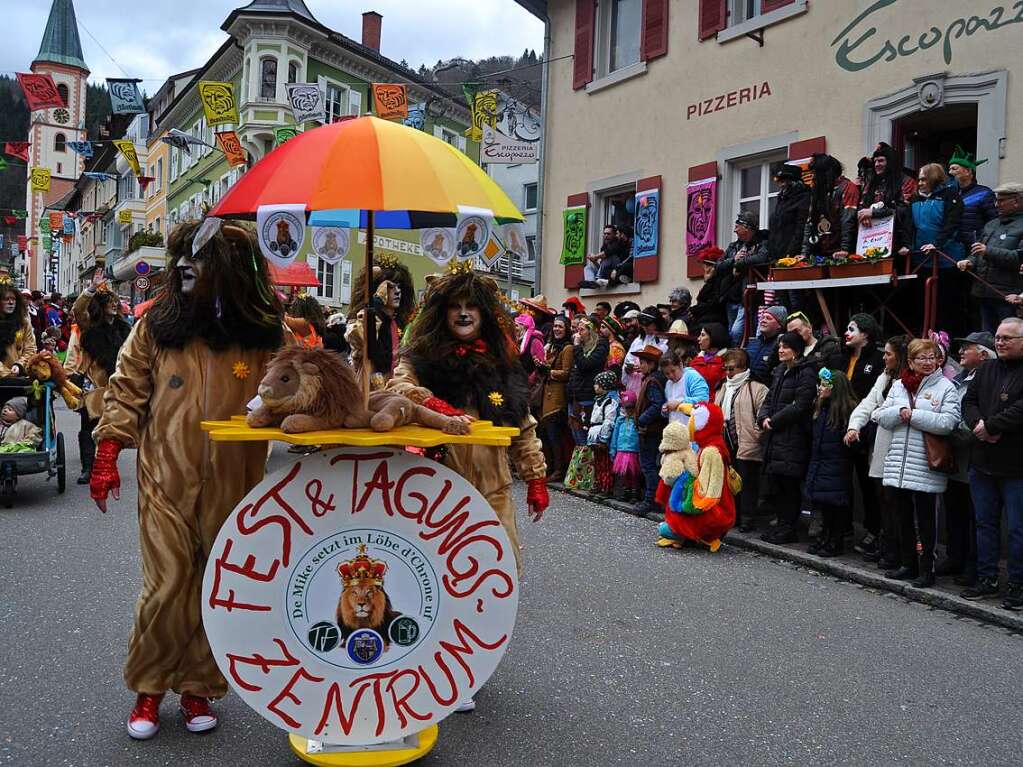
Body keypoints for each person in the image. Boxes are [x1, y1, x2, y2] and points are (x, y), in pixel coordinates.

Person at [89, 221, 289, 739]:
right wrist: (108, 451)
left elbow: (299, 381)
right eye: (182, 259)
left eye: (198, 261)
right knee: (168, 584)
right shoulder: (156, 327)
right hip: (165, 479)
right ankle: (150, 688)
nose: (185, 268)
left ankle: (199, 685)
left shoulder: (262, 332)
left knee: (213, 585)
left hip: (234, 481)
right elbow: (126, 388)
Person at [876, 338, 960, 587]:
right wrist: (900, 410)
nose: (926, 362)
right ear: (910, 362)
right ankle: (907, 564)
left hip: (926, 464)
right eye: (920, 358)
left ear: (938, 360)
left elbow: (948, 423)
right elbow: (879, 415)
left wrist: (913, 415)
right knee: (902, 517)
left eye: (931, 357)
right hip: (898, 464)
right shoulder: (899, 385)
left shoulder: (946, 387)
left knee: (926, 521)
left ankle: (927, 569)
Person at [960, 318, 1023, 609]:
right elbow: (968, 402)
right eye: (998, 337)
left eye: (1007, 338)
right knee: (984, 524)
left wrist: (993, 427)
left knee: (1017, 529)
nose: (1000, 342)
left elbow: (1019, 410)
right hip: (982, 461)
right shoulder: (986, 369)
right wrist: (977, 425)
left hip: (1016, 466)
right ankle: (987, 579)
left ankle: (1017, 584)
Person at [846, 335, 909, 567]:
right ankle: (887, 544)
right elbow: (868, 402)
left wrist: (876, 415)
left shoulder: (908, 380)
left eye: (889, 354)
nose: (884, 357)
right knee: (882, 497)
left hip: (901, 446)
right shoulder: (885, 377)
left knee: (896, 500)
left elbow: (886, 411)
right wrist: (854, 425)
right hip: (881, 445)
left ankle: (899, 550)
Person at [941, 331, 997, 584]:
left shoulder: (989, 380)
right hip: (955, 459)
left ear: (984, 354)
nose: (961, 351)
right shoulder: (958, 379)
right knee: (954, 512)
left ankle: (973, 566)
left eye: (968, 347)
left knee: (977, 517)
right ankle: (955, 557)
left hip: (976, 457)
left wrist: (958, 435)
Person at [67, 286, 131, 484]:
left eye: (115, 301)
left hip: (117, 383)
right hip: (94, 383)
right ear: (101, 307)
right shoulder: (90, 327)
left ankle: (106, 464)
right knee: (88, 425)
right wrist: (90, 290)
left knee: (111, 427)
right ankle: (88, 467)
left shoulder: (124, 329)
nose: (114, 304)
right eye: (109, 302)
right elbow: (78, 310)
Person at [757, 331, 817, 543]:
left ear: (797, 350)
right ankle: (781, 525)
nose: (781, 350)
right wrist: (763, 417)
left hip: (793, 437)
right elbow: (770, 398)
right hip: (775, 437)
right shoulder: (781, 370)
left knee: (789, 485)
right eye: (780, 346)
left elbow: (801, 405)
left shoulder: (806, 372)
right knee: (777, 484)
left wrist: (774, 420)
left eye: (786, 347)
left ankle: (789, 528)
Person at [838, 313, 886, 554]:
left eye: (852, 329)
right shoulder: (843, 357)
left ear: (865, 334)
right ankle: (843, 527)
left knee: (868, 485)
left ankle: (874, 530)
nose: (847, 333)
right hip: (843, 428)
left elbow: (872, 399)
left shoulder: (877, 360)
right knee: (842, 480)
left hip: (865, 432)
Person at [900, 163, 967, 335]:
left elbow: (952, 223)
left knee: (946, 302)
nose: (920, 183)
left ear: (934, 178)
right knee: (922, 301)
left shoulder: (949, 194)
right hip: (922, 259)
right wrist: (907, 245)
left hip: (946, 258)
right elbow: (909, 226)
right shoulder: (915, 199)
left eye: (923, 179)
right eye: (918, 180)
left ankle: (948, 339)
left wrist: (937, 243)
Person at [957, 183, 1023, 334]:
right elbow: (978, 251)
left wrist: (988, 251)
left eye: (1001, 201)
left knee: (1008, 337)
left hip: (1007, 294)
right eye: (996, 200)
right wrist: (969, 261)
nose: (996, 205)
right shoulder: (991, 224)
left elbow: (1019, 258)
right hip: (983, 291)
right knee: (986, 336)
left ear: (1016, 201)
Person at [805, 369, 858, 556]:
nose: (820, 389)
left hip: (837, 462)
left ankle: (835, 541)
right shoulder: (821, 407)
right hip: (821, 461)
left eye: (824, 385)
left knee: (836, 505)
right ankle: (825, 537)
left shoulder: (847, 410)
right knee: (824, 505)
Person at [716, 348, 767, 532]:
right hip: (726, 441)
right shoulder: (723, 387)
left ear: (743, 368)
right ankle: (733, 515)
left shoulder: (757, 388)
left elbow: (763, 413)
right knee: (731, 481)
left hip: (747, 441)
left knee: (747, 481)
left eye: (731, 369)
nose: (728, 373)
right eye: (726, 369)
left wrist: (755, 433)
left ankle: (747, 518)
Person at [717, 211, 769, 345]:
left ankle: (739, 359)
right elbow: (718, 266)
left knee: (737, 332)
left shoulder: (762, 243)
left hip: (748, 298)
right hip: (731, 296)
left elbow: (762, 258)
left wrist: (740, 263)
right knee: (732, 332)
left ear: (747, 228)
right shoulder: (733, 246)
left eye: (737, 226)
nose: (734, 230)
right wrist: (734, 260)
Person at [802, 154, 860, 262]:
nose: (813, 177)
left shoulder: (848, 188)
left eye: (815, 173)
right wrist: (804, 253)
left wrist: (845, 249)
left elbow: (848, 220)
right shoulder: (819, 191)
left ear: (826, 172)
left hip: (841, 254)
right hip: (820, 252)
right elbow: (810, 222)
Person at [858, 142, 912, 253]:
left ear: (890, 162)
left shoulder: (906, 181)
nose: (877, 164)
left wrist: (874, 213)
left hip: (898, 241)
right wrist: (863, 215)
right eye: (875, 161)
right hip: (869, 239)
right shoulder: (871, 184)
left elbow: (904, 210)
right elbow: (861, 206)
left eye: (881, 160)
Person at [633, 344, 666, 517]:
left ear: (652, 364)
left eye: (643, 362)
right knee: (651, 465)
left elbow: (656, 404)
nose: (641, 365)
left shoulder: (653, 381)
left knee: (648, 465)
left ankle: (650, 500)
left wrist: (642, 420)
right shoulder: (652, 378)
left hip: (651, 430)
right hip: (653, 429)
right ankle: (655, 499)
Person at [567, 316, 609, 447]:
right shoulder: (581, 347)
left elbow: (585, 365)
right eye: (577, 330)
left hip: (589, 396)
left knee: (586, 439)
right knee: (576, 437)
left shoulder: (601, 345)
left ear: (590, 331)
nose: (578, 334)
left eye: (582, 330)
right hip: (576, 396)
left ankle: (589, 466)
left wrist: (577, 346)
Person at [540, 315, 573, 482]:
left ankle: (559, 469)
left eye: (560, 326)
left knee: (554, 434)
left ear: (566, 329)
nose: (557, 329)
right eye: (555, 326)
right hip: (547, 393)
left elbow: (566, 373)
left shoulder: (567, 348)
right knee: (546, 433)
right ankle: (550, 466)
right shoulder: (552, 346)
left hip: (558, 395)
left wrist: (549, 371)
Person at [948, 145, 998, 254]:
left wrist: (984, 243)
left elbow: (994, 221)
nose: (950, 172)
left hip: (975, 248)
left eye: (954, 168)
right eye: (949, 169)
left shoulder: (984, 193)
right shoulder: (951, 194)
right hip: (953, 248)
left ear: (968, 171)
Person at [768, 164, 811, 263]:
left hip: (793, 255)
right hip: (778, 253)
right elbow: (777, 227)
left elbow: (801, 228)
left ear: (794, 181)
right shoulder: (782, 198)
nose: (781, 185)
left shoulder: (803, 197)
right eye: (779, 181)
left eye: (784, 181)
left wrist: (790, 252)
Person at [587, 370, 620, 499]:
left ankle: (606, 487)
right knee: (597, 462)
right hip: (594, 433)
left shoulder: (610, 401)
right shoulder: (599, 400)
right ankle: (598, 483)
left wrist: (603, 438)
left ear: (605, 385)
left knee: (605, 463)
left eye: (597, 384)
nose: (595, 386)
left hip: (601, 435)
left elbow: (609, 421)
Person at [661, 348, 710, 428]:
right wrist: (665, 409)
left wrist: (680, 403)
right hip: (675, 431)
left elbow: (703, 400)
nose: (671, 376)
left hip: (693, 432)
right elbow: (669, 404)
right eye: (667, 373)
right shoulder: (668, 384)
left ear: (680, 365)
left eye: (673, 371)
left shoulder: (692, 377)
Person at [609, 390, 641, 503]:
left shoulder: (637, 420)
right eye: (626, 408)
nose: (628, 410)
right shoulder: (620, 420)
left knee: (634, 473)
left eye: (631, 408)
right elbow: (615, 435)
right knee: (623, 473)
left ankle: (634, 492)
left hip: (633, 450)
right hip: (621, 450)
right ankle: (626, 490)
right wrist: (613, 449)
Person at [0, 284, 37, 377]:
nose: (11, 302)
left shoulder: (23, 323)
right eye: (6, 299)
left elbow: (31, 348)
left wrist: (19, 364)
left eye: (13, 299)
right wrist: (4, 372)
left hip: (18, 377)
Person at [745, 305, 786, 385]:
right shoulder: (753, 342)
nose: (763, 320)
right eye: (763, 317)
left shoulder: (781, 346)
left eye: (768, 318)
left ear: (779, 325)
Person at [690, 249, 728, 327]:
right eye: (705, 266)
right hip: (705, 321)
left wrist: (695, 310)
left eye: (708, 266)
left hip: (714, 323)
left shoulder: (721, 282)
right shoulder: (709, 283)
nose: (705, 270)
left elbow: (714, 304)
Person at [690, 322, 730, 394]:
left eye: (703, 335)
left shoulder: (727, 361)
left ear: (714, 337)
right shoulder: (696, 360)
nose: (698, 338)